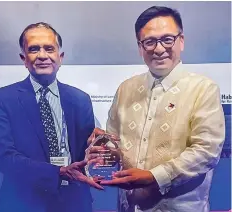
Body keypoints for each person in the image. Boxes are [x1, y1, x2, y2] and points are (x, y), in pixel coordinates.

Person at [89, 6, 225, 212]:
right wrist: (103, 147)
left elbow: (206, 151)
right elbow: (114, 142)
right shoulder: (126, 89)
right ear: (140, 47)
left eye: (167, 39)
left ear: (181, 41)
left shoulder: (203, 88)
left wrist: (154, 176)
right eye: (149, 42)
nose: (159, 49)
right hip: (129, 206)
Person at [0, 22, 103, 212]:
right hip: (23, 203)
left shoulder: (80, 99)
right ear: (24, 59)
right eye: (34, 49)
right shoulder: (3, 98)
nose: (42, 55)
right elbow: (4, 157)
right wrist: (57, 172)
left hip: (74, 202)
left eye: (49, 48)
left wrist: (98, 146)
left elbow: (85, 154)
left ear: (60, 57)